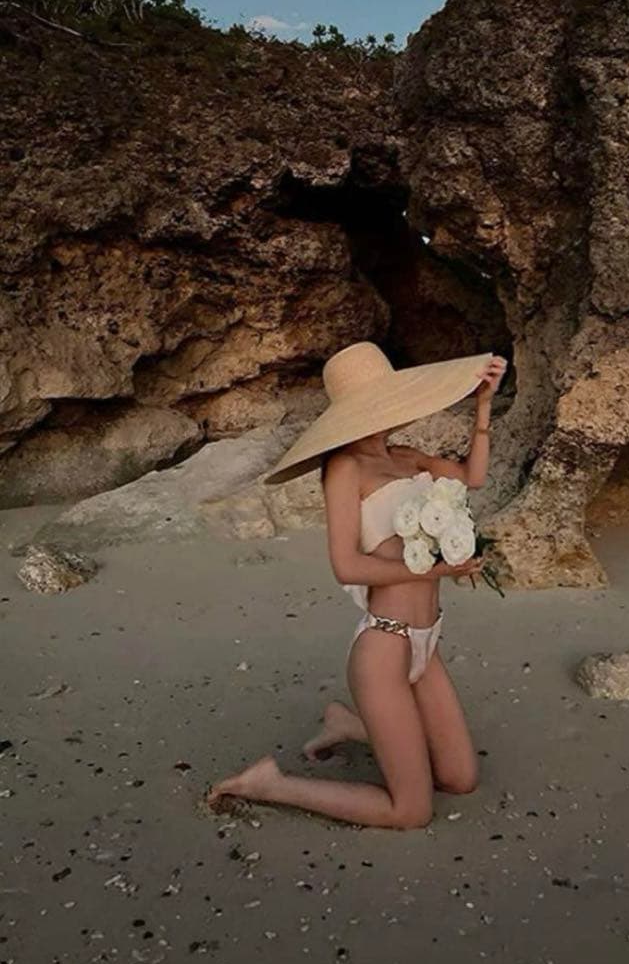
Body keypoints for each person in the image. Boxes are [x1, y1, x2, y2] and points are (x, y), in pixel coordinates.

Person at [207, 341, 508, 828]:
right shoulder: (345, 468)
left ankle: (348, 724)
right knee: (411, 811)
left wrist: (484, 406)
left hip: (426, 641)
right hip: (384, 646)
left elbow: (472, 478)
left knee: (460, 779)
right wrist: (432, 572)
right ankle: (270, 783)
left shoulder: (407, 456)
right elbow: (346, 566)